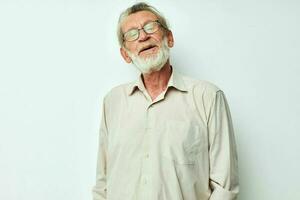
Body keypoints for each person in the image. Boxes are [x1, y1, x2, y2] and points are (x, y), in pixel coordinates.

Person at [92, 2, 239, 200]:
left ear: (169, 38)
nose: (143, 36)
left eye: (150, 27)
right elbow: (102, 183)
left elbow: (225, 186)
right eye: (132, 34)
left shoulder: (208, 96)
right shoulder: (113, 101)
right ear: (125, 54)